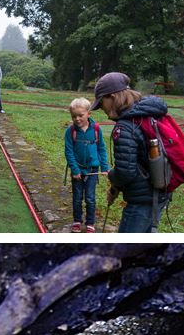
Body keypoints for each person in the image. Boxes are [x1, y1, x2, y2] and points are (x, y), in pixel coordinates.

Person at [92, 71, 171, 233]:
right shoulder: (147, 114)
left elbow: (126, 172)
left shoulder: (125, 126)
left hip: (142, 201)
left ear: (112, 97)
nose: (102, 108)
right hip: (160, 193)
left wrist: (111, 175)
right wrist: (115, 188)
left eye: (102, 103)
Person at [64, 98, 109, 234]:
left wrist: (105, 167)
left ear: (89, 114)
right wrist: (75, 169)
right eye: (74, 116)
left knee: (90, 197)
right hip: (78, 170)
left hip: (92, 170)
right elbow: (69, 151)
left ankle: (90, 223)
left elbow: (101, 148)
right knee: (77, 197)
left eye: (80, 115)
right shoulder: (70, 131)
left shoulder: (96, 130)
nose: (77, 119)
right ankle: (77, 221)